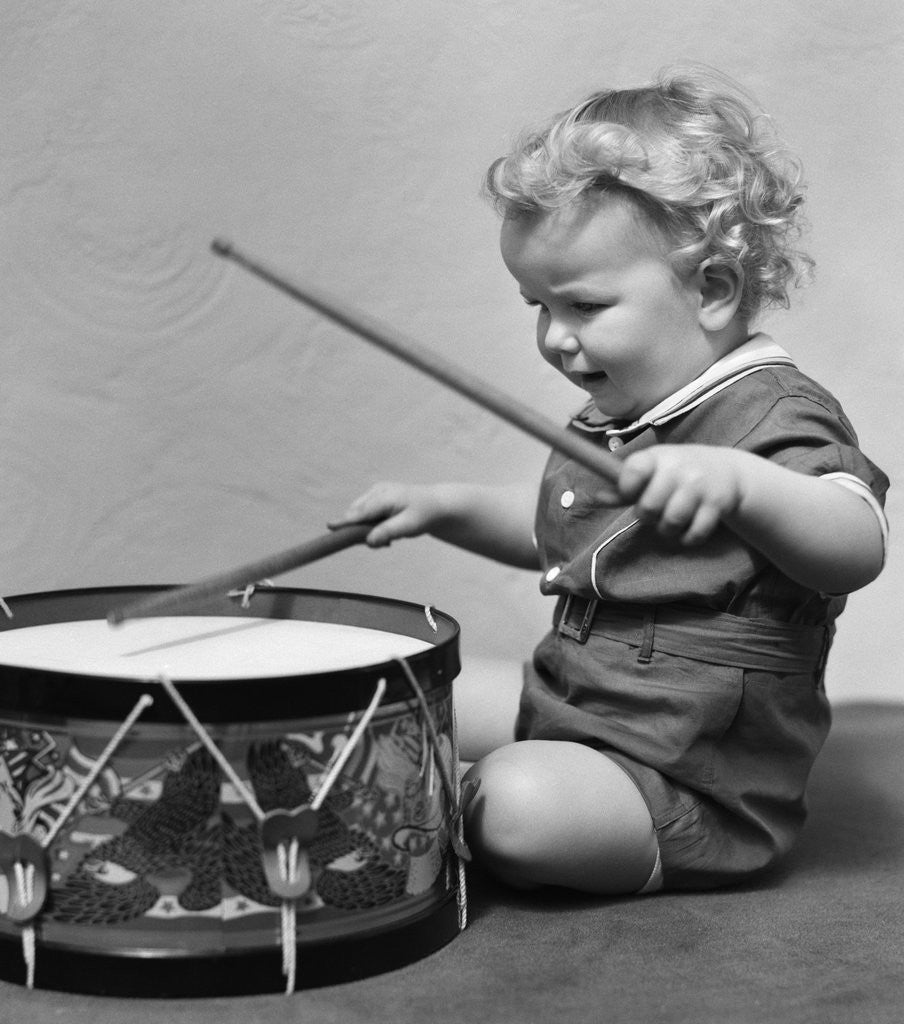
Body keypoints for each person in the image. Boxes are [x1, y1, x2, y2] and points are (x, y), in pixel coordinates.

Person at [329, 67, 889, 895]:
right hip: (571, 700)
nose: (556, 339)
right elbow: (562, 532)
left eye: (585, 306)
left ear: (712, 288)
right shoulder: (621, 413)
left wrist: (738, 483)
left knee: (516, 808)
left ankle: (463, 802)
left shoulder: (773, 411)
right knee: (398, 686)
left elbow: (856, 544)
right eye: (536, 305)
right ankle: (460, 775)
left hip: (690, 775)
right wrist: (443, 508)